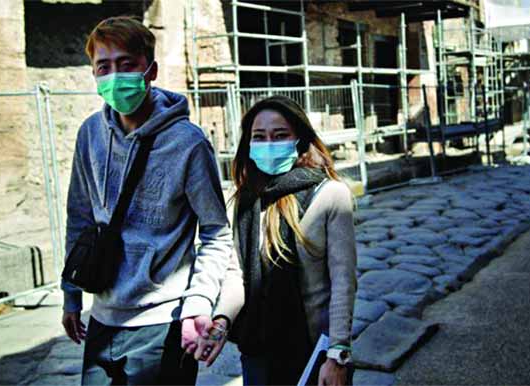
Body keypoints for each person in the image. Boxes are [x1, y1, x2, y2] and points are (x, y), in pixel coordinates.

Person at [60, 16, 233, 385]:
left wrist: (199, 303)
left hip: (163, 324)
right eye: (103, 67)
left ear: (150, 70)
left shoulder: (188, 143)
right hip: (102, 317)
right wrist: (71, 293)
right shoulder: (90, 134)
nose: (114, 76)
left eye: (127, 65)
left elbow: (217, 233)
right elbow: (80, 217)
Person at [193, 95, 358, 385]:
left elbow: (343, 283)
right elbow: (238, 276)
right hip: (258, 348)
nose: (269, 143)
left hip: (313, 353)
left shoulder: (331, 195)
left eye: (280, 135)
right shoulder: (245, 200)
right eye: (260, 136)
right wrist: (221, 322)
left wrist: (338, 353)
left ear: (299, 138)